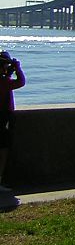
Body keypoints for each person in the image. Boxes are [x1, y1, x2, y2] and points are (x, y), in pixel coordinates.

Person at [0, 51, 25, 192]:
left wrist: (8, 73)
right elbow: (21, 82)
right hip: (3, 118)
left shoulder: (4, 80)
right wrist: (17, 69)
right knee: (3, 150)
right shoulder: (5, 82)